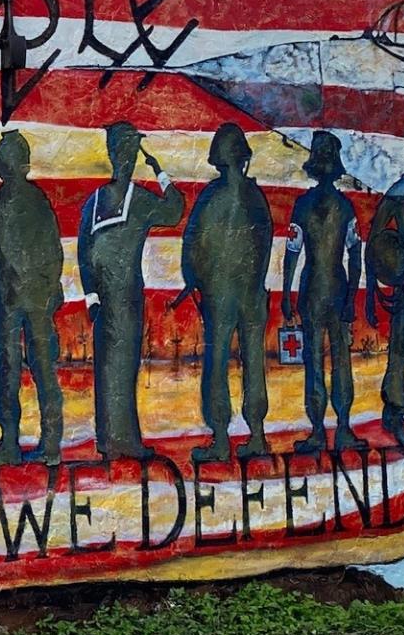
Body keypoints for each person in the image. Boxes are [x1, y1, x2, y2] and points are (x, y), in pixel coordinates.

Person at [77, 122, 185, 461]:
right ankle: (120, 442)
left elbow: (85, 253)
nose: (126, 156)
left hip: (115, 298)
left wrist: (92, 297)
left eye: (129, 150)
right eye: (126, 149)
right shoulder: (132, 199)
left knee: (114, 367)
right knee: (117, 367)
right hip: (118, 298)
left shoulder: (101, 201)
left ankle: (113, 440)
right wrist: (161, 172)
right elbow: (175, 209)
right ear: (117, 153)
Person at [181, 123, 273, 463]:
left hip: (221, 296)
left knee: (217, 365)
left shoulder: (211, 197)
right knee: (255, 364)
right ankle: (258, 435)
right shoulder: (256, 197)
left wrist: (196, 280)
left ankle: (221, 440)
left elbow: (192, 246)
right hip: (251, 295)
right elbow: (265, 243)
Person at [0, 131, 63, 467]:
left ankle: (44, 444)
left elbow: (51, 252)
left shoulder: (27, 202)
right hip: (14, 300)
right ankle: (20, 443)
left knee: (31, 370)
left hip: (25, 301)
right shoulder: (10, 202)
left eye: (3, 158)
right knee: (14, 371)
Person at [283, 130, 364, 456]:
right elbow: (355, 255)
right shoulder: (345, 207)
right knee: (341, 361)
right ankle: (342, 428)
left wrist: (287, 294)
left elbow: (292, 252)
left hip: (311, 288)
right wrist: (351, 299)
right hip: (338, 286)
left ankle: (318, 431)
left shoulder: (302, 206)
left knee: (313, 360)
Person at [366, 178, 404, 449]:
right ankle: (395, 412)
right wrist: (373, 292)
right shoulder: (399, 193)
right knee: (400, 350)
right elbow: (375, 242)